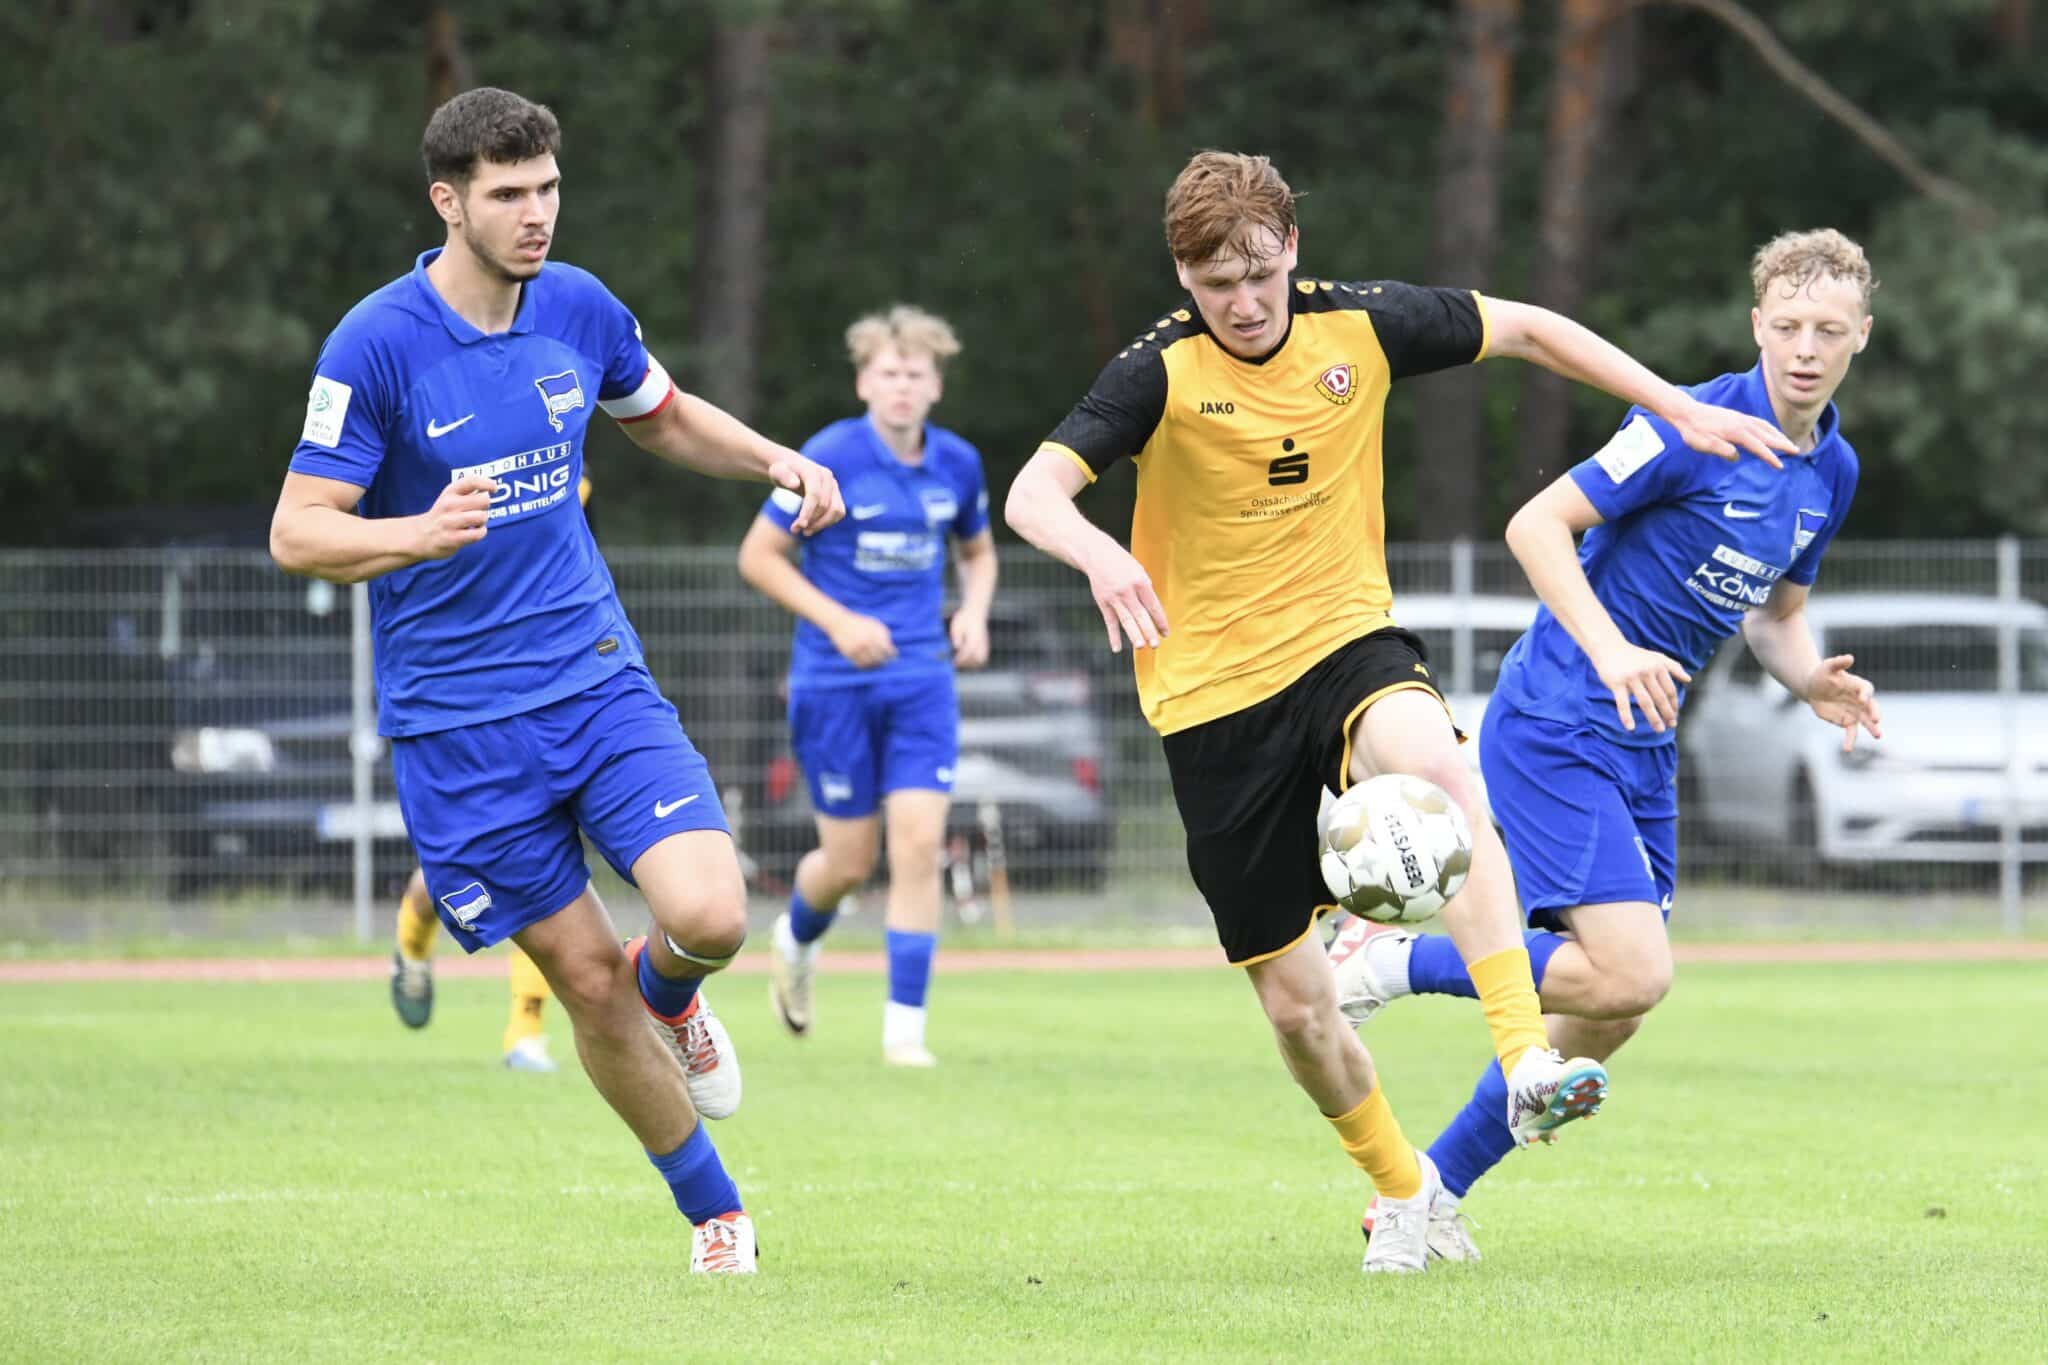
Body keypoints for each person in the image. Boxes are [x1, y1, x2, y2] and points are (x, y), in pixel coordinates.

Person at [1003, 150, 1794, 1275]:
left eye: (1260, 276)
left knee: (1439, 769)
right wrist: (1093, 553)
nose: (1241, 302)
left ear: (1291, 256)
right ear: (1181, 277)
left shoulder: (1360, 325)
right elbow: (1032, 492)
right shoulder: (1157, 373)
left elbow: (1524, 328)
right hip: (1210, 700)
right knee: (1293, 1012)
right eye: (1214, 282)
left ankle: (1522, 1054)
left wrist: (1671, 406)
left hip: (1341, 642)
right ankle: (1401, 1187)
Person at [270, 87, 844, 1275]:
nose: (536, 215)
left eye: (547, 189)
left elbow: (662, 417)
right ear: (448, 202)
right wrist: (411, 535)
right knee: (586, 988)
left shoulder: (578, 308)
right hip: (456, 731)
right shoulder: (373, 344)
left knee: (711, 916)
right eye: (508, 195)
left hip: (593, 683)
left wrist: (772, 459)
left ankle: (674, 997)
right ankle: (717, 1219)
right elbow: (296, 531)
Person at [1333, 228, 1881, 1261]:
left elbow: (1773, 615)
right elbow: (1536, 524)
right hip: (1557, 717)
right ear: (1755, 324)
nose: (1803, 348)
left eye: (1826, 330)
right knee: (1629, 973)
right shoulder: (1686, 424)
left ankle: (1422, 1197)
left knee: (1601, 1016)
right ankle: (1389, 956)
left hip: (1641, 740)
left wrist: (1808, 678)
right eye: (1786, 326)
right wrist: (1610, 645)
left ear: (1859, 337)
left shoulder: (1830, 471)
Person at [738, 306, 995, 1067]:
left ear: (936, 385)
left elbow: (978, 554)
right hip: (833, 681)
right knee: (847, 862)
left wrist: (974, 613)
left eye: (916, 373)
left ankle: (904, 1035)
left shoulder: (958, 464)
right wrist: (840, 621)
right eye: (888, 372)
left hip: (921, 680)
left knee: (917, 846)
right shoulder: (827, 456)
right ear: (863, 382)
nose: (903, 386)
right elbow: (758, 556)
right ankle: (794, 939)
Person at [388, 476, 599, 1074]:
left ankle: (525, 1030)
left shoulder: (568, 479)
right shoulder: (432, 464)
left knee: (547, 862)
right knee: (463, 866)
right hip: (455, 698)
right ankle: (411, 936)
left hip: (548, 687)